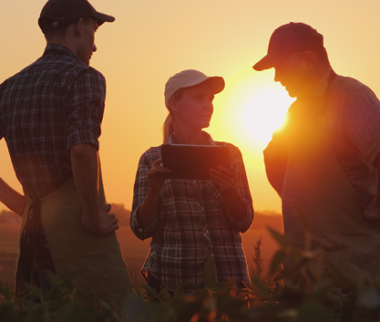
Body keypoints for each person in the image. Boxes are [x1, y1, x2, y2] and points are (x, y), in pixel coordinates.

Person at [0, 0, 131, 299]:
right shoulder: (83, 76)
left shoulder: (9, 87)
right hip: (77, 236)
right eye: (94, 30)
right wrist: (91, 215)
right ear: (79, 26)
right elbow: (82, 150)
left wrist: (20, 204)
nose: (95, 46)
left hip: (32, 235)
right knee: (101, 312)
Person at [253, 22, 380, 284]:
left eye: (280, 66)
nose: (276, 77)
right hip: (306, 272)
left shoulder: (352, 97)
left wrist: (371, 219)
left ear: (308, 60)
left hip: (355, 270)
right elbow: (278, 166)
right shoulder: (295, 113)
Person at [130, 69, 254, 294]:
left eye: (210, 98)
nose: (209, 105)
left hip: (228, 283)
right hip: (171, 284)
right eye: (199, 97)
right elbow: (141, 229)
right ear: (174, 104)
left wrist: (229, 191)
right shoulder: (151, 159)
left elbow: (244, 221)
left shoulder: (231, 155)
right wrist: (154, 191)